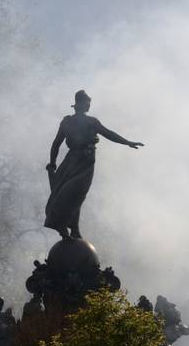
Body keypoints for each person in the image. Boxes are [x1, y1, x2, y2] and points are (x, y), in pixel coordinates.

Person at [44, 90, 144, 239]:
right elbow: (56, 144)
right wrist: (52, 163)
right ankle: (62, 224)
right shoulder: (68, 122)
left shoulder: (91, 121)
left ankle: (74, 228)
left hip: (86, 162)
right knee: (68, 192)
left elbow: (108, 133)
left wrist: (127, 142)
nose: (89, 107)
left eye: (89, 104)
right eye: (87, 104)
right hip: (72, 161)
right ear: (78, 104)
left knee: (78, 195)